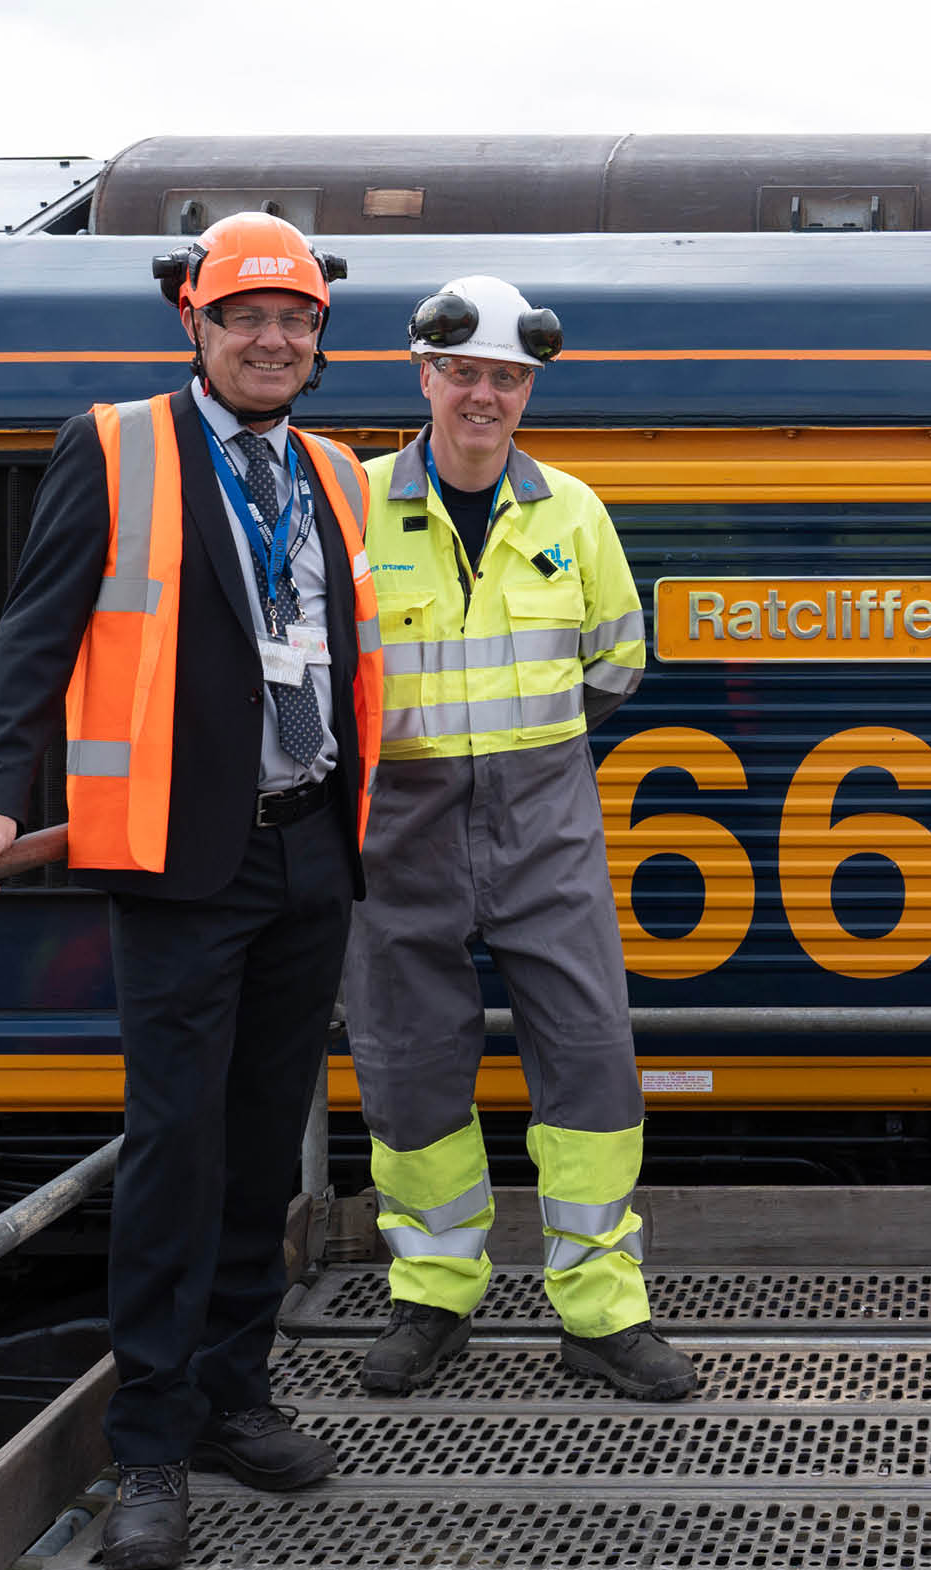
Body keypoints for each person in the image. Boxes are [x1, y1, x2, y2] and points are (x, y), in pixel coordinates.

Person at [0, 212, 382, 1570]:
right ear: (194, 317)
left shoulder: (340, 475)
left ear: (317, 335)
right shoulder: (117, 445)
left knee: (259, 1144)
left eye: (296, 319)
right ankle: (152, 1445)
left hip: (309, 844)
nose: (274, 338)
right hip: (183, 855)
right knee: (174, 1148)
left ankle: (239, 1392)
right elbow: (36, 628)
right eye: (247, 315)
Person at [340, 275, 692, 1403]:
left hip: (544, 822)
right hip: (399, 831)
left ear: (527, 389)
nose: (484, 395)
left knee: (590, 1053)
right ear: (424, 375)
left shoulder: (574, 512)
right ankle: (434, 1294)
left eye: (506, 378)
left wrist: (520, 757)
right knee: (407, 1061)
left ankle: (601, 1311)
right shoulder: (353, 504)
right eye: (465, 373)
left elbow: (616, 665)